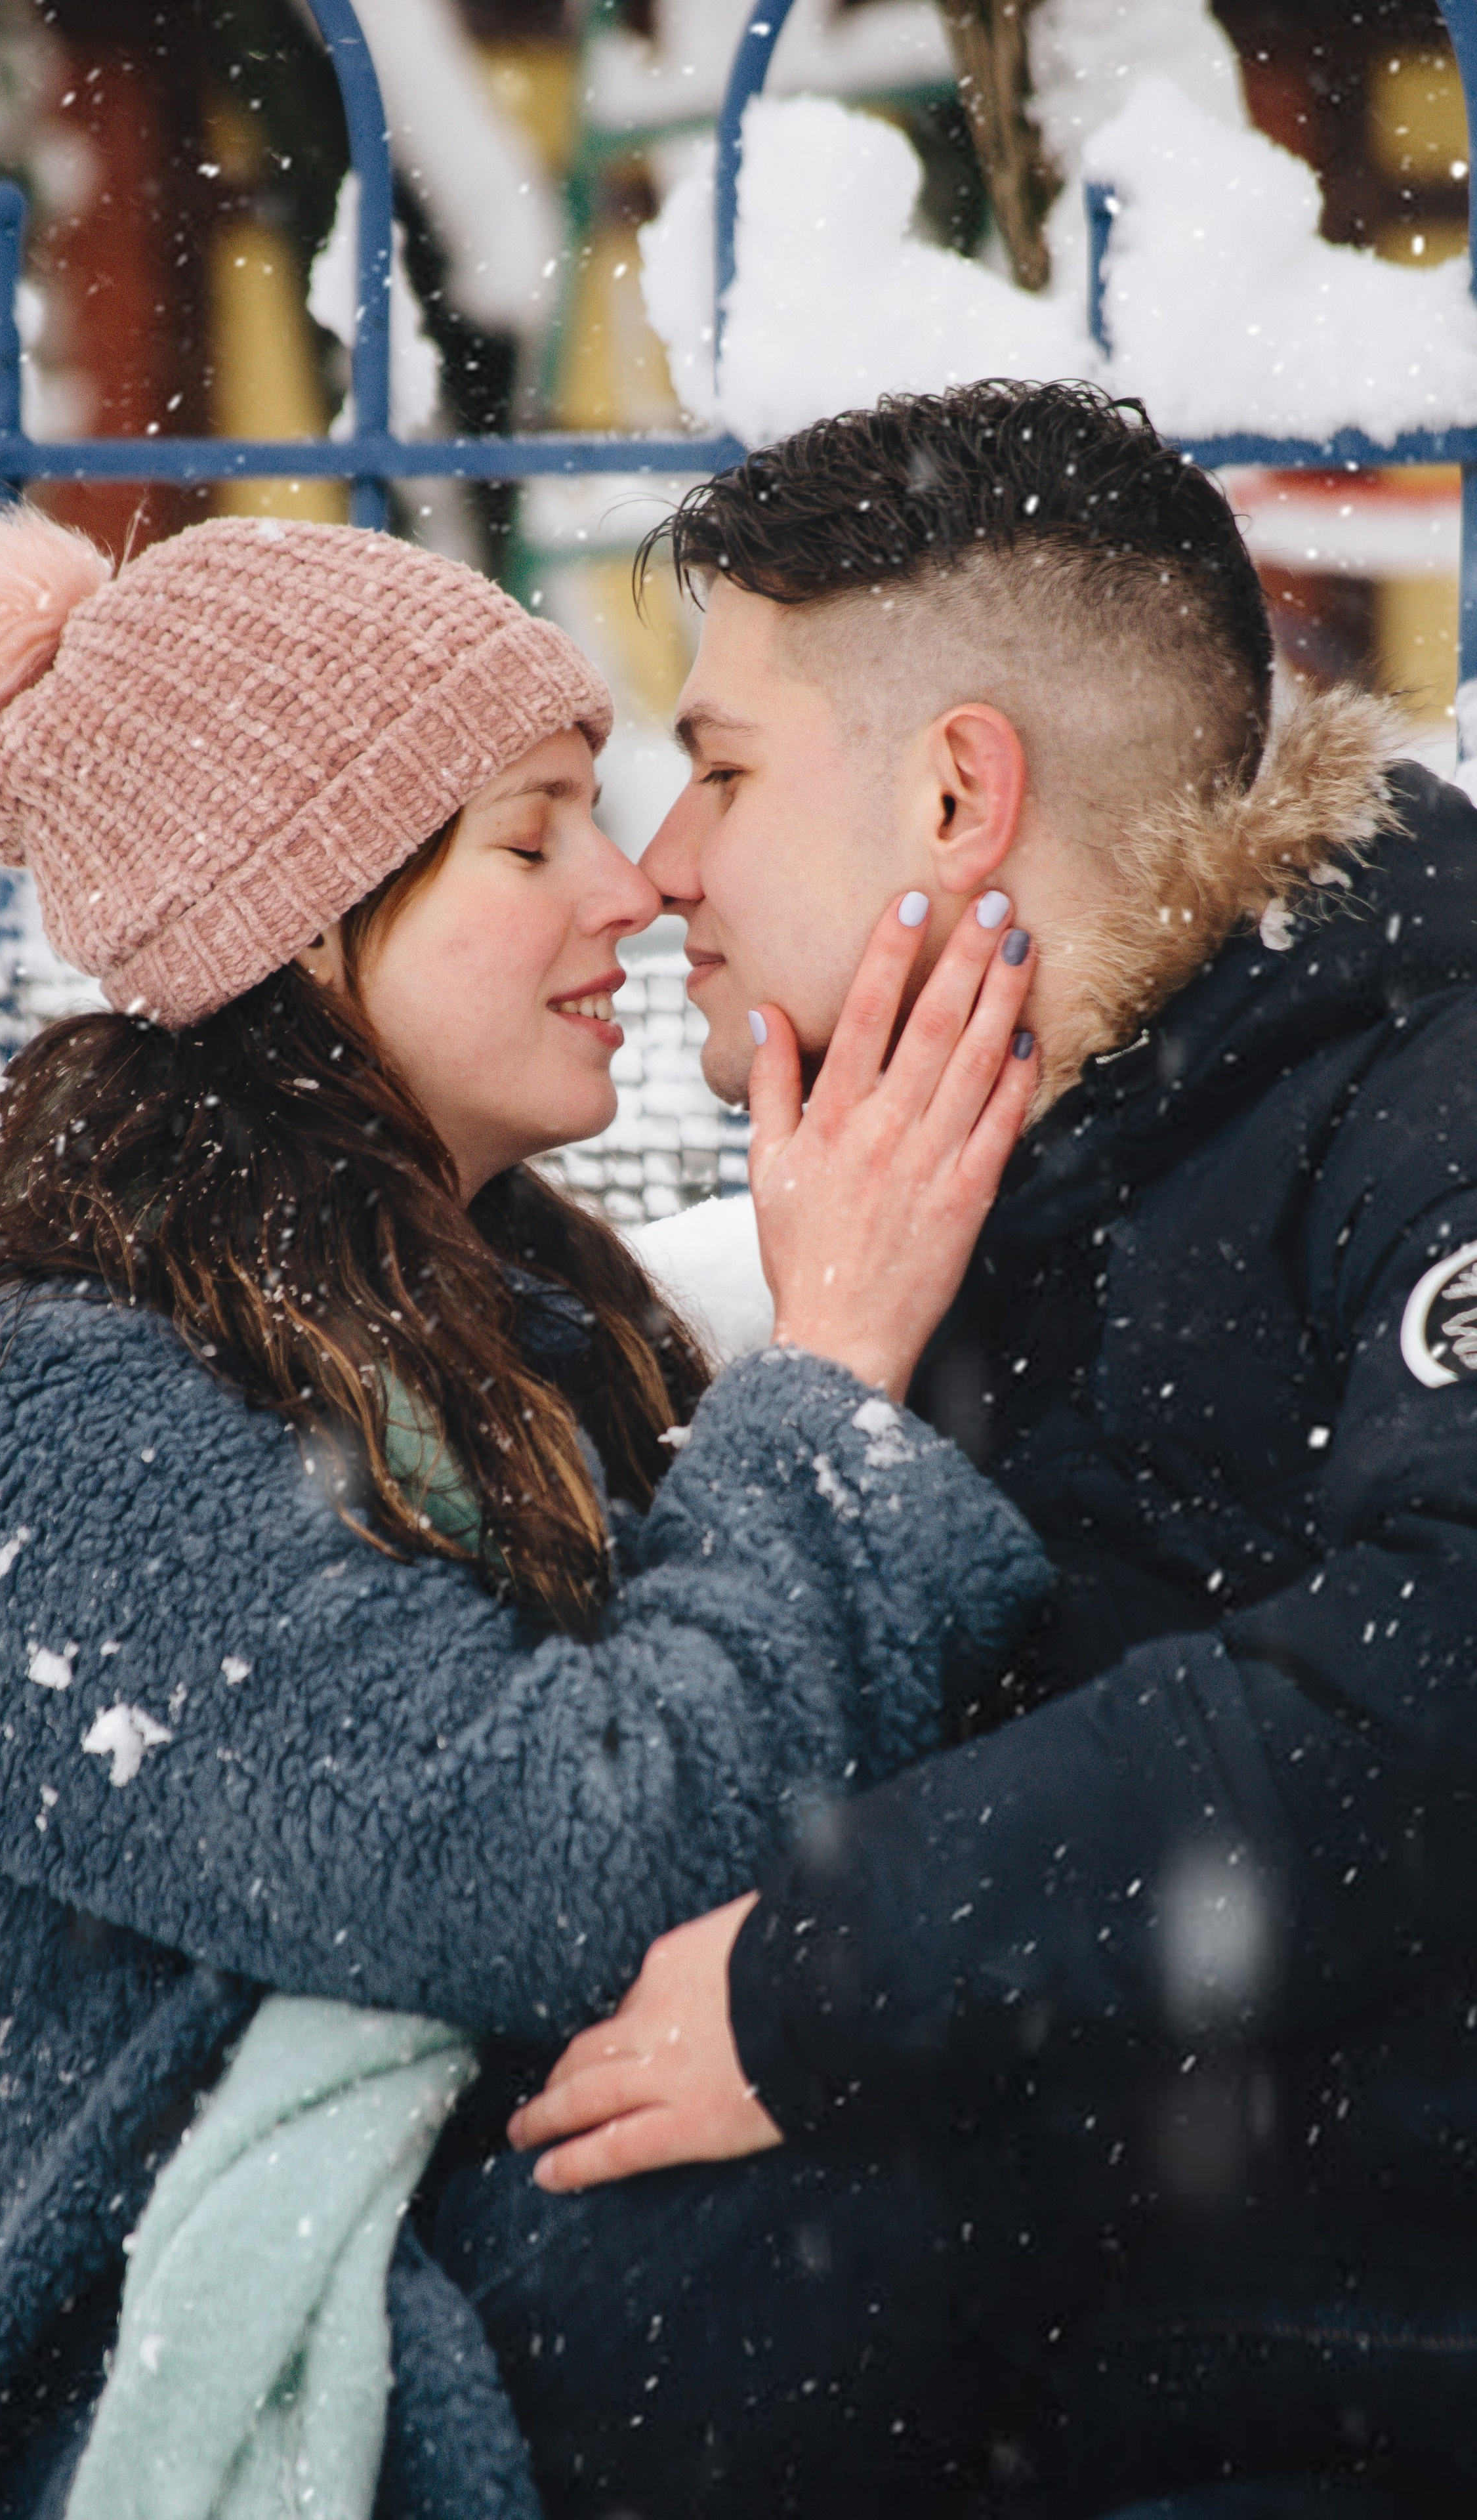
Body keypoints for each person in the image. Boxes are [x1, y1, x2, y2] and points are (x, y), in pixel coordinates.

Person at [0, 502, 1049, 2520]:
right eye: (532, 833)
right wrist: (827, 1381)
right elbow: (566, 1865)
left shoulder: (523, 1336)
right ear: (304, 915)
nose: (636, 888)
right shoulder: (40, 1429)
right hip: (146, 2426)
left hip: (503, 2324)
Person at [432, 382, 1477, 2518]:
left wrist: (835, 1967)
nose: (659, 866)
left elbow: (1445, 1660)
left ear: (956, 798)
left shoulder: (1420, 1101)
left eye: (718, 769)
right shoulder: (936, 1194)